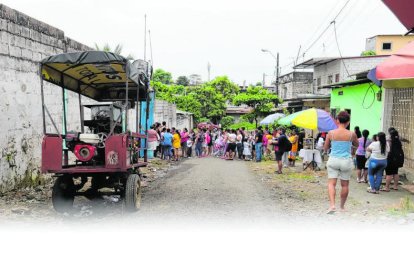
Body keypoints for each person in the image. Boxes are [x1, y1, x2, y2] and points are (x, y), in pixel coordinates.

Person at [324, 111, 359, 214]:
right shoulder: (351, 134)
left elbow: (326, 148)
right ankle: (342, 207)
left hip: (333, 160)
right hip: (346, 161)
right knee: (345, 185)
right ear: (348, 122)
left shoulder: (331, 133)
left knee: (331, 184)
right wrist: (351, 149)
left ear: (337, 120)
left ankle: (332, 205)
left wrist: (332, 146)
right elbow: (357, 145)